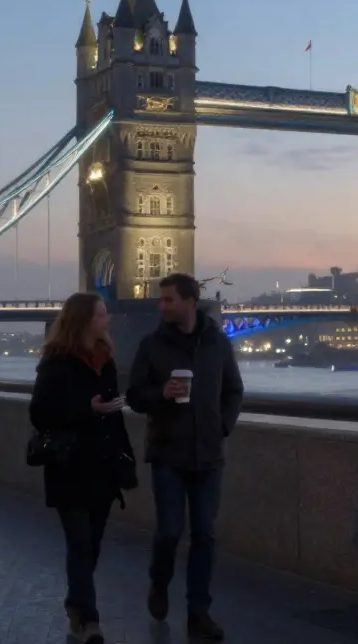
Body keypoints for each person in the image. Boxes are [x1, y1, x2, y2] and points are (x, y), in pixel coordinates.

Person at [127, 273, 244, 641]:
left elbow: (234, 390)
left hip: (209, 455)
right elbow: (133, 395)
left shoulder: (219, 344)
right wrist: (160, 393)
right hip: (167, 454)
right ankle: (159, 583)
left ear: (190, 301)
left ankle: (199, 613)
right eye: (160, 300)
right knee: (169, 532)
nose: (161, 306)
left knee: (205, 536)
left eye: (168, 300)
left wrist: (222, 426)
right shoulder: (151, 346)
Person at [28, 292, 136, 644]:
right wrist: (86, 409)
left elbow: (111, 414)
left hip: (103, 468)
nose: (108, 319)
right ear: (84, 320)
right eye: (102, 314)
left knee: (93, 545)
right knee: (80, 544)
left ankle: (76, 601)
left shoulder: (106, 362)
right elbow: (40, 414)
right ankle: (89, 621)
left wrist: (125, 456)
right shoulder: (55, 363)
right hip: (70, 467)